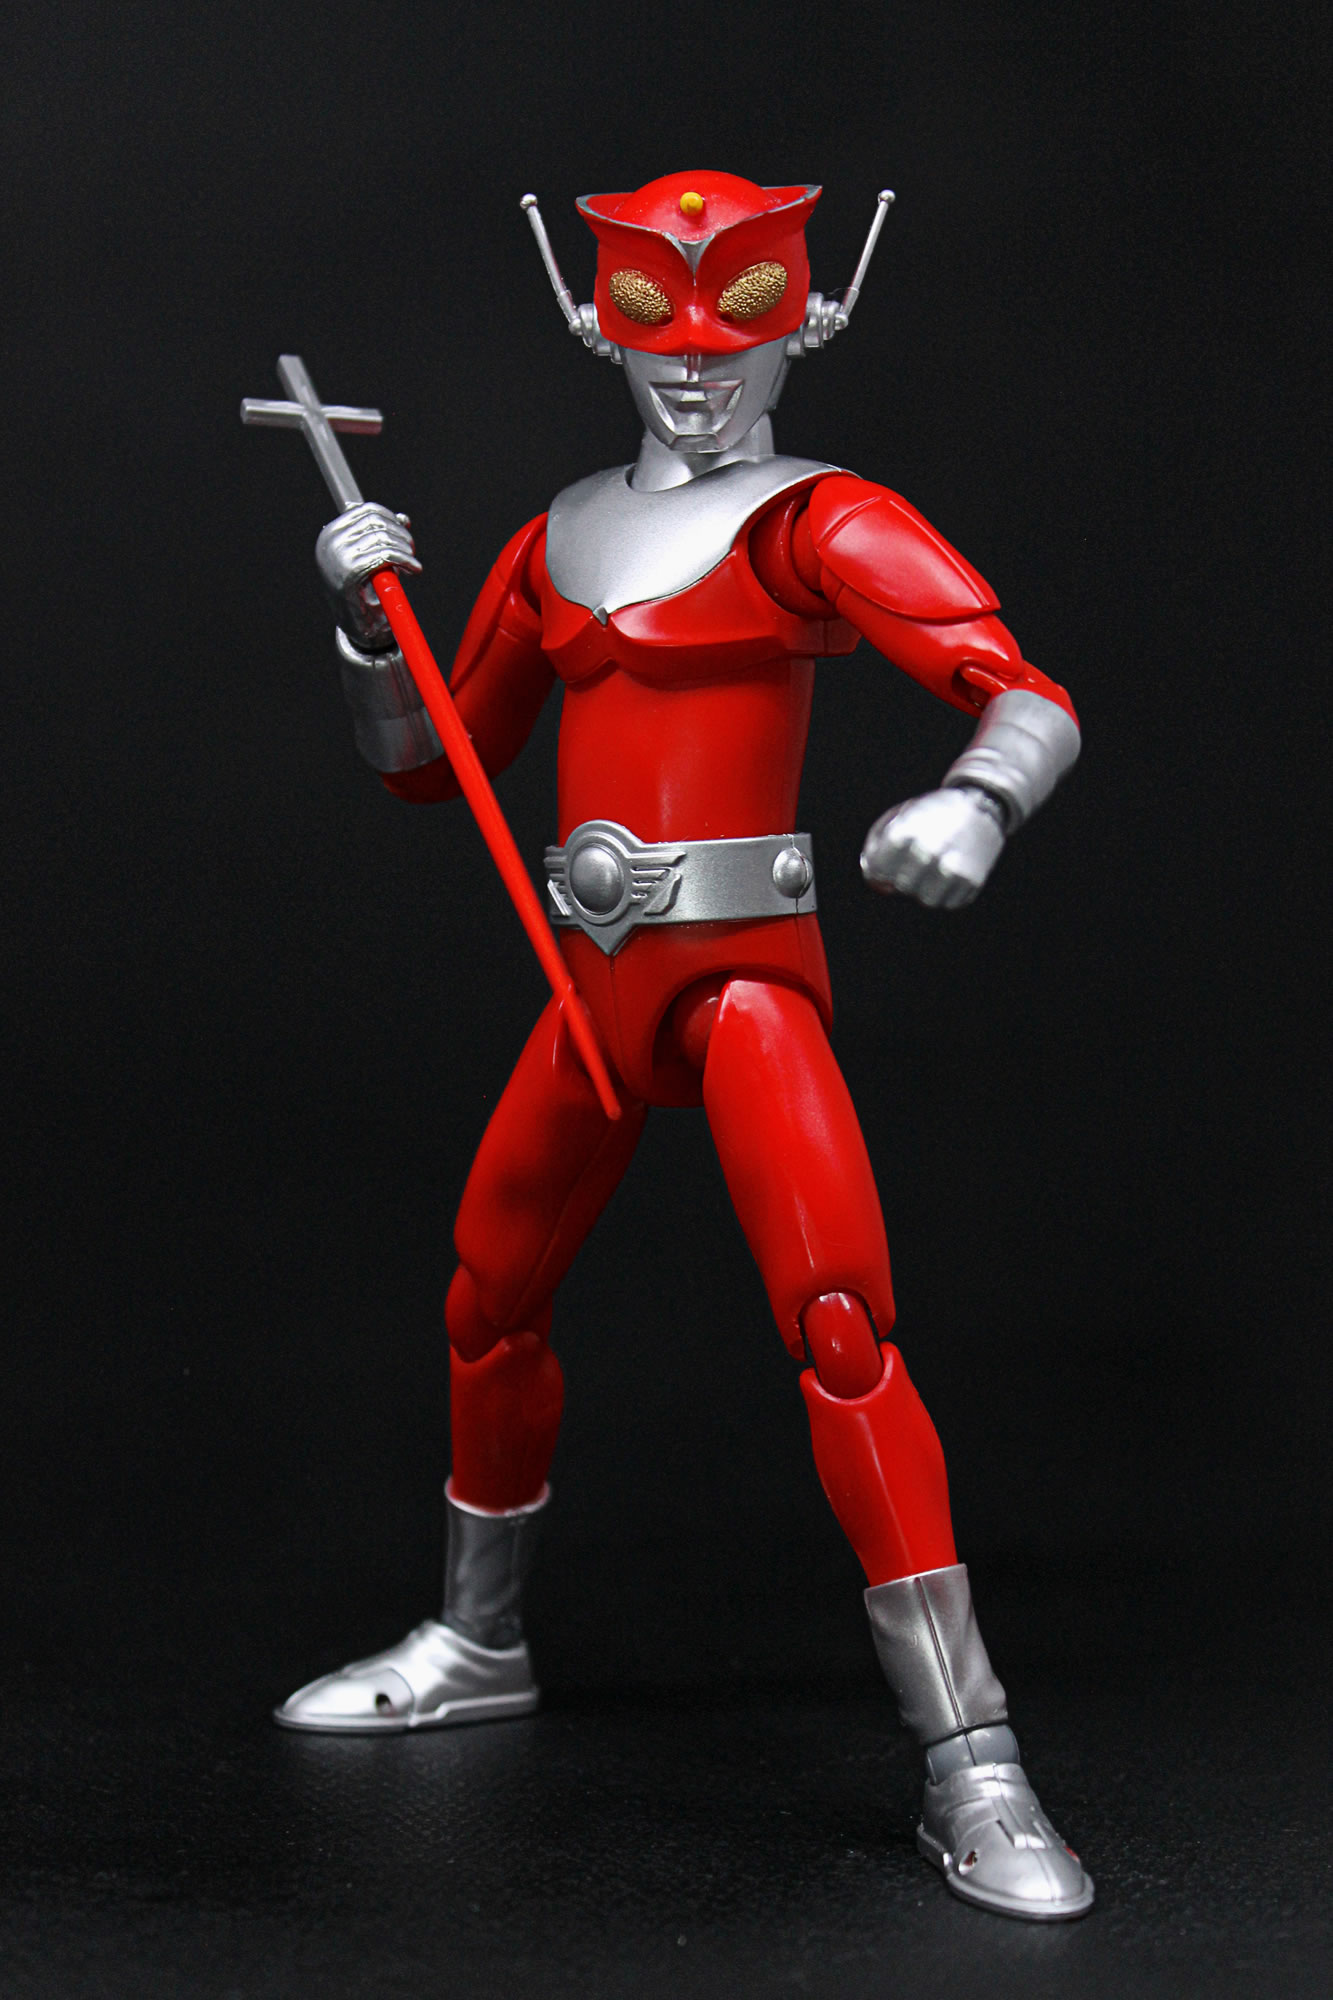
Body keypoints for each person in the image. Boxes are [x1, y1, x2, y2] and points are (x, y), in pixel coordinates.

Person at [275, 170, 1091, 1923]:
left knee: (841, 1331)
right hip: (588, 985)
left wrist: (976, 799)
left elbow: (1022, 692)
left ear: (810, 317)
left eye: (744, 318)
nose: (701, 360)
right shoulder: (554, 537)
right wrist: (362, 619)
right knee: (486, 1301)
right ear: (598, 321)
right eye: (656, 316)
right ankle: (477, 1640)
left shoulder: (816, 522)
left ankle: (971, 1760)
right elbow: (430, 760)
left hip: (740, 983)